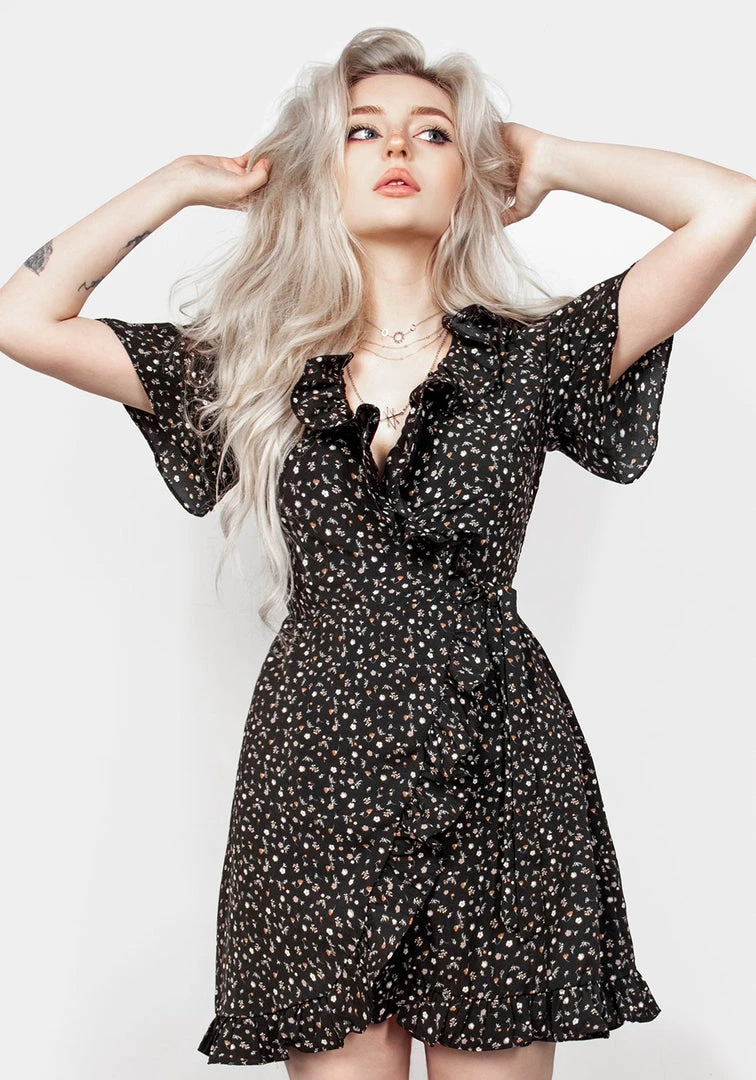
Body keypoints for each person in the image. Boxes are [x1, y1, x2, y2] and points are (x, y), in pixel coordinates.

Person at [1, 25, 753, 1080]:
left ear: (468, 175)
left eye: (433, 133)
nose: (398, 146)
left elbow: (729, 207)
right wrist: (180, 184)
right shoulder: (255, 369)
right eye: (362, 131)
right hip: (317, 774)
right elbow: (25, 317)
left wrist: (547, 158)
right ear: (320, 169)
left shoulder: (533, 357)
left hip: (500, 764)